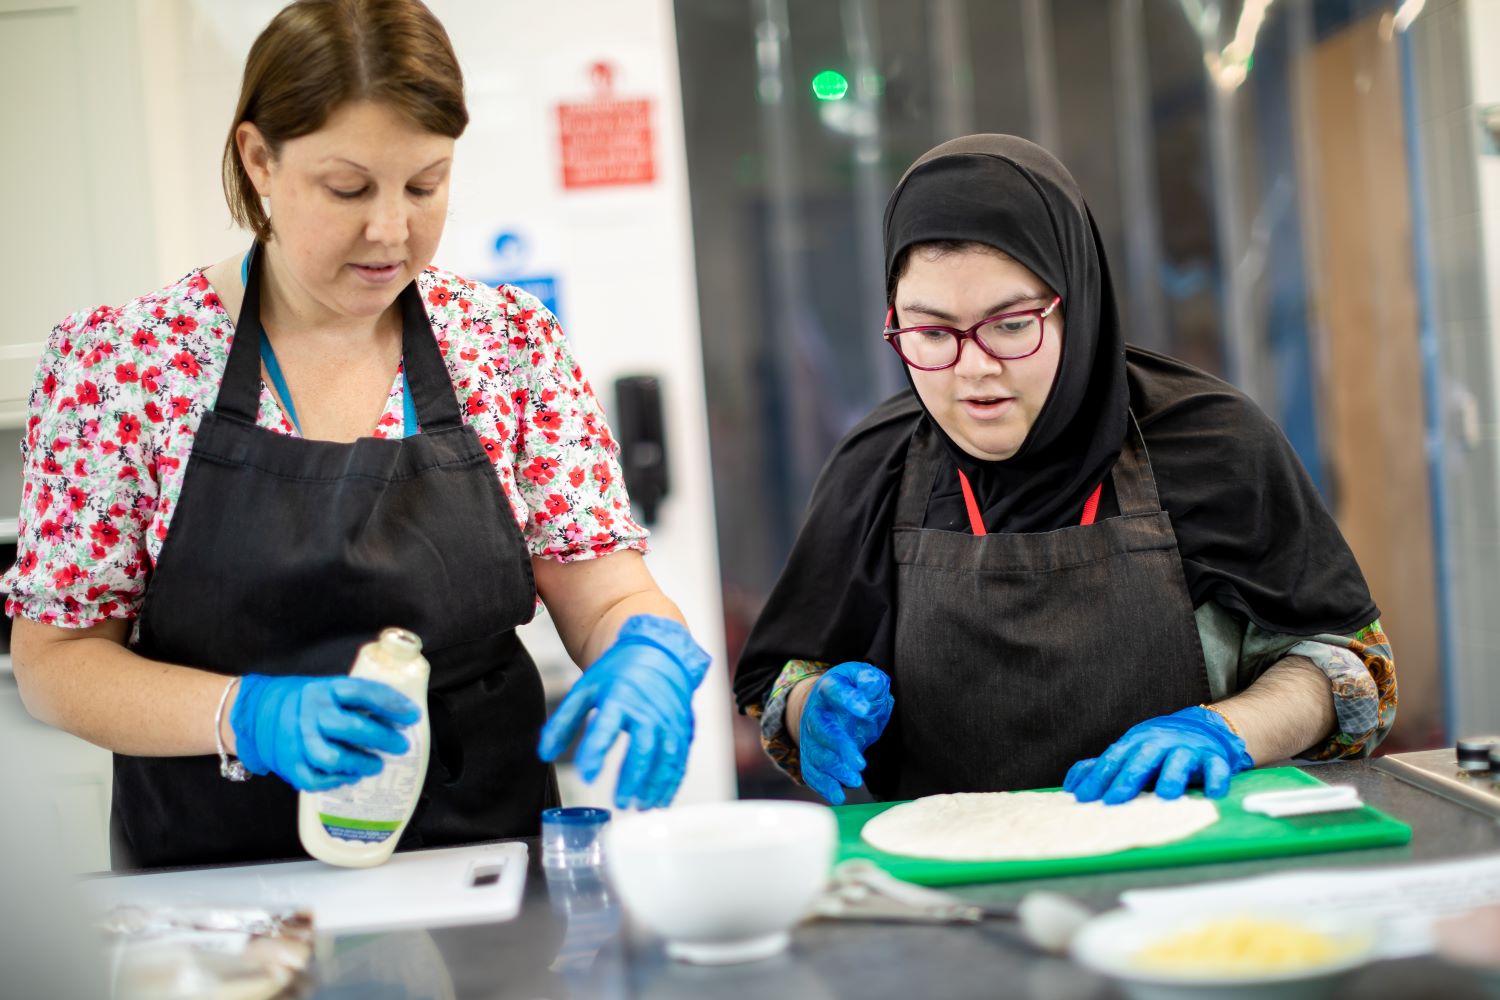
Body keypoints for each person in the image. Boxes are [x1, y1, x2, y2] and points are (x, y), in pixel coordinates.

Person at [4, 0, 709, 870]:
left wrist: (644, 643)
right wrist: (241, 712)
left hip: (487, 867)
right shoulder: (126, 364)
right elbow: (57, 660)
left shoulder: (505, 342)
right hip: (224, 898)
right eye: (348, 189)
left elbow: (604, 594)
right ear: (258, 157)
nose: (391, 230)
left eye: (424, 184)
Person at [733, 134, 1396, 807]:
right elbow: (782, 679)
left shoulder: (1212, 442)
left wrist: (1227, 730)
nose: (974, 369)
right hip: (953, 891)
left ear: (1075, 304)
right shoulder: (875, 466)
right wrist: (812, 707)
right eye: (931, 333)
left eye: (1011, 325)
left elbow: (1355, 671)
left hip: (1191, 872)